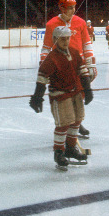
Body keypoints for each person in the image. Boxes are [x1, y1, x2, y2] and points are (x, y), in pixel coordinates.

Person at [29, 26, 93, 170]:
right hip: (60, 95)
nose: (65, 41)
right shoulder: (52, 58)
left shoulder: (75, 53)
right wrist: (37, 97)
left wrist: (88, 90)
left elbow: (83, 71)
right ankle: (59, 152)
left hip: (75, 93)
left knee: (77, 120)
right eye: (62, 39)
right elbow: (42, 77)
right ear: (56, 40)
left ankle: (70, 148)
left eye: (67, 38)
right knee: (63, 124)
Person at [41, 0, 96, 139]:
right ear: (62, 9)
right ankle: (67, 123)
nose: (73, 10)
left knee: (79, 94)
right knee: (65, 96)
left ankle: (77, 123)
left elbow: (87, 44)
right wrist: (44, 68)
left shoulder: (80, 22)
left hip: (78, 65)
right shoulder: (51, 24)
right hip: (60, 66)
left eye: (74, 7)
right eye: (70, 7)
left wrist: (91, 64)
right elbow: (46, 47)